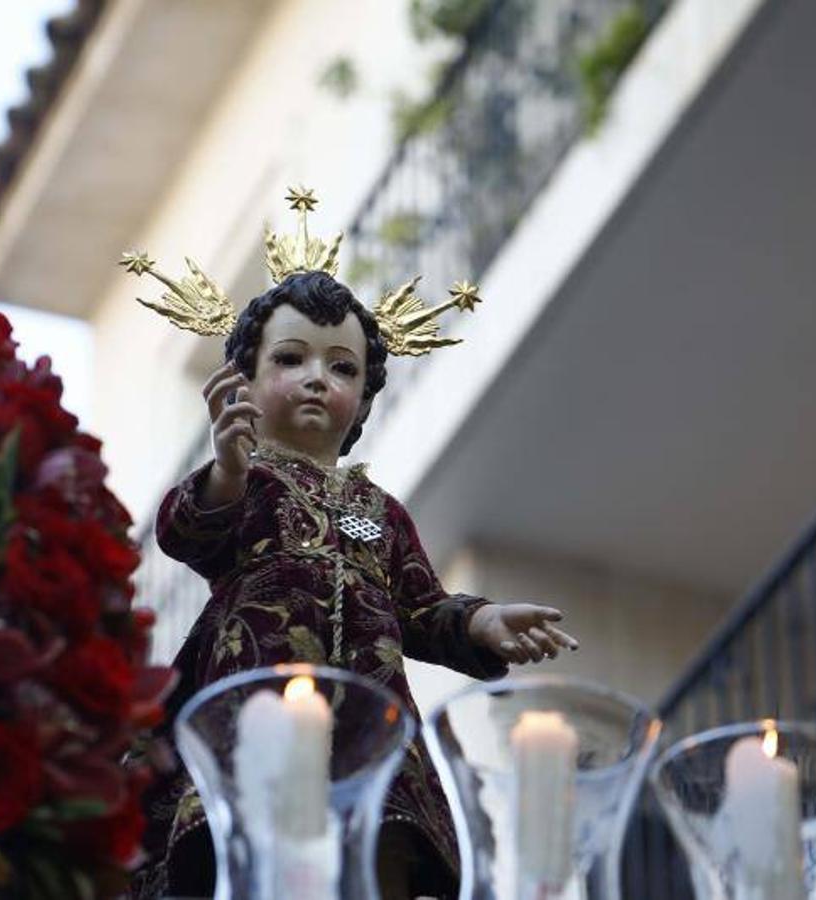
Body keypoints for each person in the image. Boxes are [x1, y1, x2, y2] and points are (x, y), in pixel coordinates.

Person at [123, 192, 578, 899]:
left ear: (364, 398)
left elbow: (421, 609)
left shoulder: (379, 510)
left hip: (367, 716)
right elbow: (185, 531)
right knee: (245, 838)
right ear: (244, 379)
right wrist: (227, 468)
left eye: (341, 368)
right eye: (292, 358)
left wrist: (483, 622)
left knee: (377, 849)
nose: (316, 378)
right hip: (257, 700)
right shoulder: (244, 479)